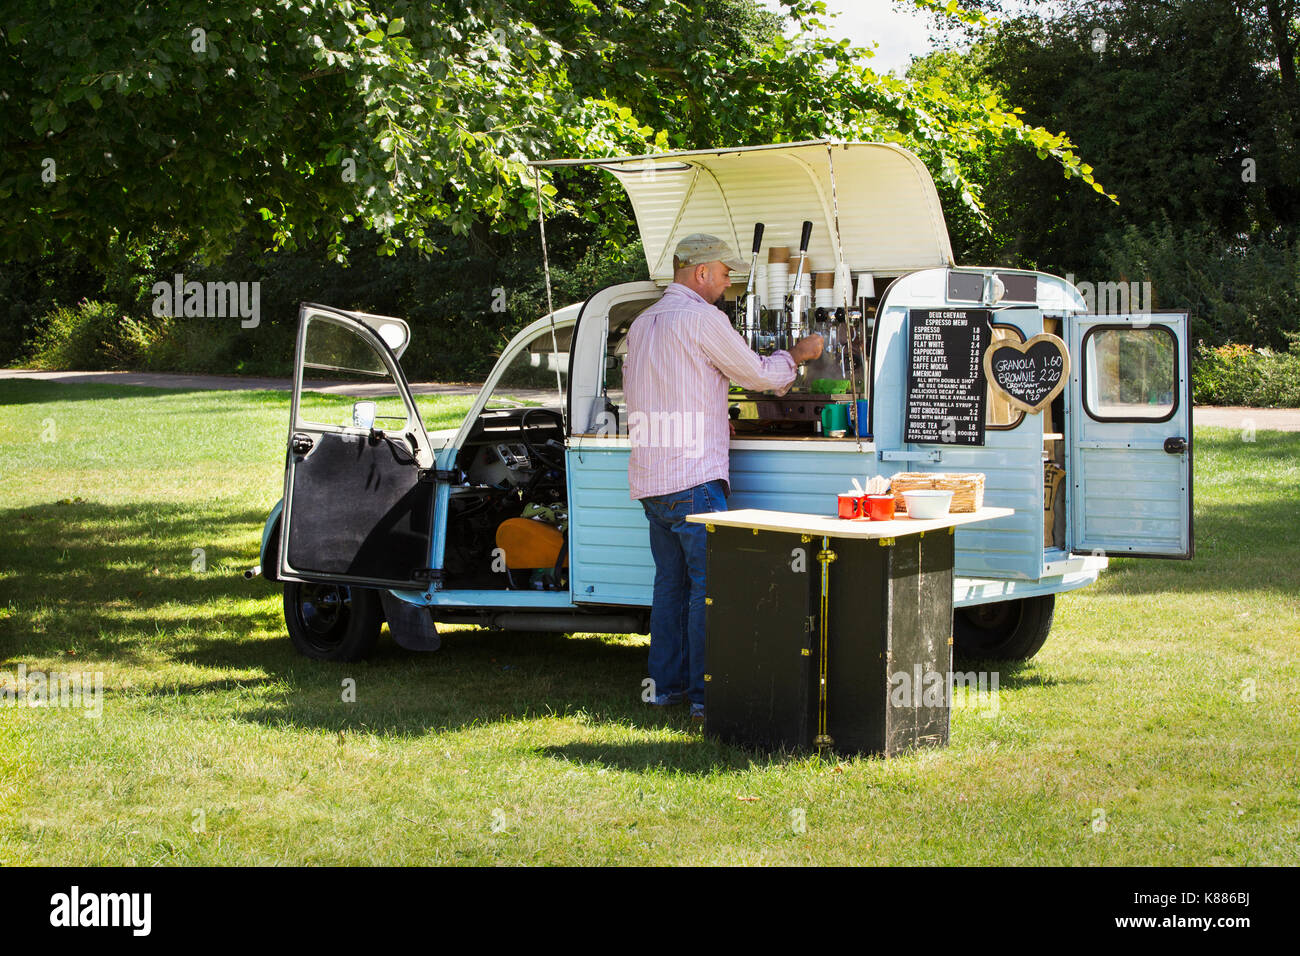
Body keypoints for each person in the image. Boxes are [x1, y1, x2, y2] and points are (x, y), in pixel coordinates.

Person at [624, 233, 824, 721]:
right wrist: (797, 356)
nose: (729, 280)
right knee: (708, 589)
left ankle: (664, 689)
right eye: (724, 271)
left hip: (652, 475)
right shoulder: (702, 317)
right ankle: (703, 697)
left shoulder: (642, 323)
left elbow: (659, 391)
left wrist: (714, 413)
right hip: (693, 476)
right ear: (700, 274)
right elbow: (757, 374)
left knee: (669, 588)